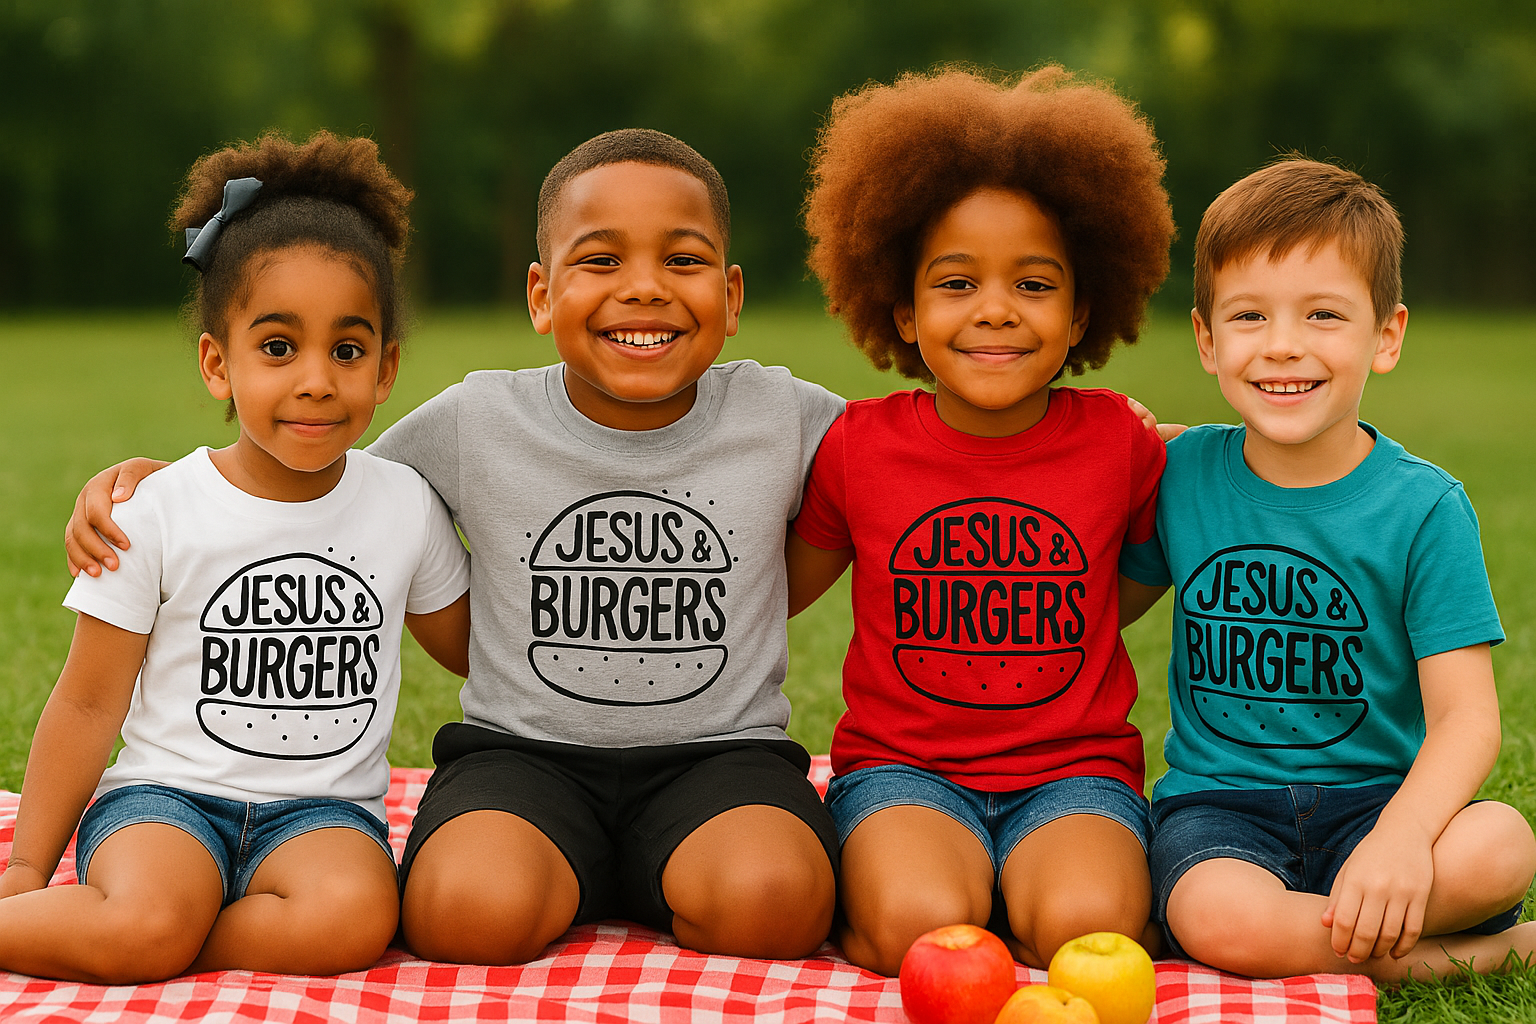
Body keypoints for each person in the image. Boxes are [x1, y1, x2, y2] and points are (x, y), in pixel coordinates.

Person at [66, 128, 845, 966]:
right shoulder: (479, 420)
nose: (645, 288)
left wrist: (763, 591)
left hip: (723, 759)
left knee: (776, 904)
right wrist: (168, 479)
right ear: (541, 296)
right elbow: (318, 467)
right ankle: (158, 926)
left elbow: (901, 471)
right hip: (524, 761)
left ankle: (164, 931)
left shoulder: (784, 415)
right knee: (464, 914)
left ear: (732, 296)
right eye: (601, 261)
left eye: (683, 261)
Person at [2, 132, 472, 983]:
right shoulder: (157, 511)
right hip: (167, 802)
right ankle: (125, 927)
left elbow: (480, 650)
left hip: (324, 816)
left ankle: (164, 940)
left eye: (349, 349)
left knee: (355, 920)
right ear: (219, 364)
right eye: (279, 347)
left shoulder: (405, 506)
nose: (318, 379)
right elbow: (86, 704)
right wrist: (27, 872)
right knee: (147, 916)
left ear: (387, 367)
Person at [785, 66, 1176, 976]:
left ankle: (1039, 879)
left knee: (1091, 936)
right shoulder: (857, 445)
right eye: (956, 283)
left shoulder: (1122, 441)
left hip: (1075, 774)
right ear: (903, 312)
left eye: (1034, 286)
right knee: (916, 932)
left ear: (1082, 312)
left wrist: (1081, 617)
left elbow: (1147, 562)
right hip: (902, 773)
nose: (995, 309)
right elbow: (780, 590)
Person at [1118, 157, 1536, 982]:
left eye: (1323, 315)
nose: (1282, 346)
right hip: (1221, 811)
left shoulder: (1424, 508)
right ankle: (1476, 956)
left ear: (1386, 336)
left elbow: (1465, 719)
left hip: (1378, 802)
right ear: (1207, 338)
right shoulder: (1181, 476)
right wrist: (1100, 453)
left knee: (1502, 845)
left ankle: (1325, 932)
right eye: (1248, 316)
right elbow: (1093, 610)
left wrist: (1404, 837)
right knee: (1217, 918)